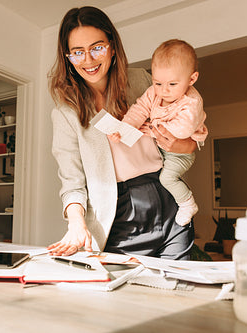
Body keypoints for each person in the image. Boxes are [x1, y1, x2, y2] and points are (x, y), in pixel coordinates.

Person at [47, 6, 198, 259]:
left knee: (177, 290)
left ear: (112, 46)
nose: (89, 59)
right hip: (118, 212)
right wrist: (76, 222)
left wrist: (183, 145)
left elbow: (188, 135)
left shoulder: (142, 80)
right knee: (124, 295)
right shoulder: (66, 113)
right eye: (77, 52)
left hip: (166, 195)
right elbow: (72, 182)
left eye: (97, 47)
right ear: (68, 57)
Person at [109, 39, 208, 226]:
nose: (164, 91)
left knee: (167, 178)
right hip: (161, 150)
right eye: (158, 83)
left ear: (192, 79)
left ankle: (187, 203)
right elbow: (140, 109)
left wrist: (153, 131)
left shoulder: (192, 102)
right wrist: (125, 127)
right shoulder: (154, 92)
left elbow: (183, 129)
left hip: (179, 155)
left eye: (172, 84)